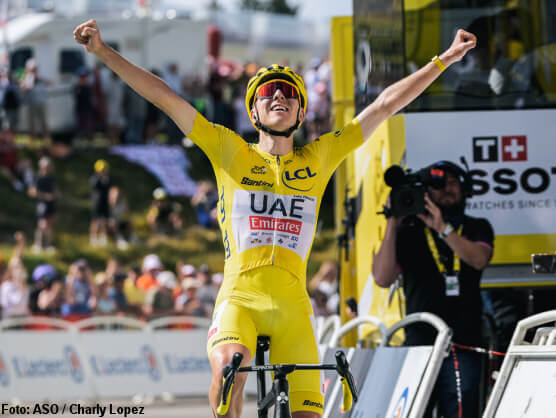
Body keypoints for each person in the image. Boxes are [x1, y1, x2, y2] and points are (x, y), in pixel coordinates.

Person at [73, 20, 476, 418]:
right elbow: (163, 97)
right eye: (268, 91)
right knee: (230, 374)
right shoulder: (229, 149)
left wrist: (445, 59)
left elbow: (385, 104)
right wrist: (104, 52)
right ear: (253, 109)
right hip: (240, 300)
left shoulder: (318, 158)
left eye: (290, 92)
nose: (279, 96)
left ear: (301, 110)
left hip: (294, 309)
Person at [373, 161, 494, 418]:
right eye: (439, 185)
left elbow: (479, 259)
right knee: (417, 412)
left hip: (464, 342)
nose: (447, 190)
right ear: (427, 193)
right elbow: (382, 278)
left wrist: (443, 229)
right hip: (419, 344)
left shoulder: (477, 226)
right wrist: (392, 222)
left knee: (462, 411)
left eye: (453, 184)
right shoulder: (408, 232)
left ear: (465, 189)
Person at [28, 156, 57, 253]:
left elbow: (54, 190)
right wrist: (45, 196)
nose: (46, 168)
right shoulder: (37, 177)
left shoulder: (51, 178)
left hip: (51, 204)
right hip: (42, 204)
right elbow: (32, 192)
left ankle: (48, 245)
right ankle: (38, 245)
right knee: (42, 225)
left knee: (49, 225)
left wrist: (54, 195)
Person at [89, 159, 112, 246]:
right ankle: (93, 238)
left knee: (104, 220)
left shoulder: (107, 178)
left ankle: (103, 237)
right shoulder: (94, 178)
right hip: (97, 202)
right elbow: (94, 185)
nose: (102, 171)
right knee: (95, 220)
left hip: (105, 202)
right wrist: (99, 177)